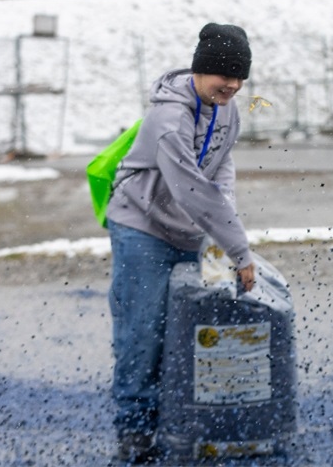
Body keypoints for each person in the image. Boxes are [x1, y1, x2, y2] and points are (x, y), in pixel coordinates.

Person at [107, 23, 257, 464]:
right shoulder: (169, 119)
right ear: (199, 70)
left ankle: (171, 416)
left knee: (181, 332)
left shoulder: (225, 109)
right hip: (142, 228)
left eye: (238, 76)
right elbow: (191, 189)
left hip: (186, 228)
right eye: (221, 75)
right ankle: (134, 430)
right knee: (143, 333)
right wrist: (238, 249)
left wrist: (222, 217)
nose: (230, 84)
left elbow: (221, 167)